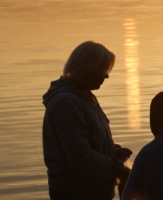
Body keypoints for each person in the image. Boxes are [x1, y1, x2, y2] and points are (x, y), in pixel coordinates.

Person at [42, 41, 132, 200]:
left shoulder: (85, 97)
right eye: (103, 70)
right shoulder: (68, 103)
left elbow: (89, 140)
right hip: (77, 193)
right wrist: (118, 168)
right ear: (88, 69)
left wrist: (112, 150)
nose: (107, 75)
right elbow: (80, 157)